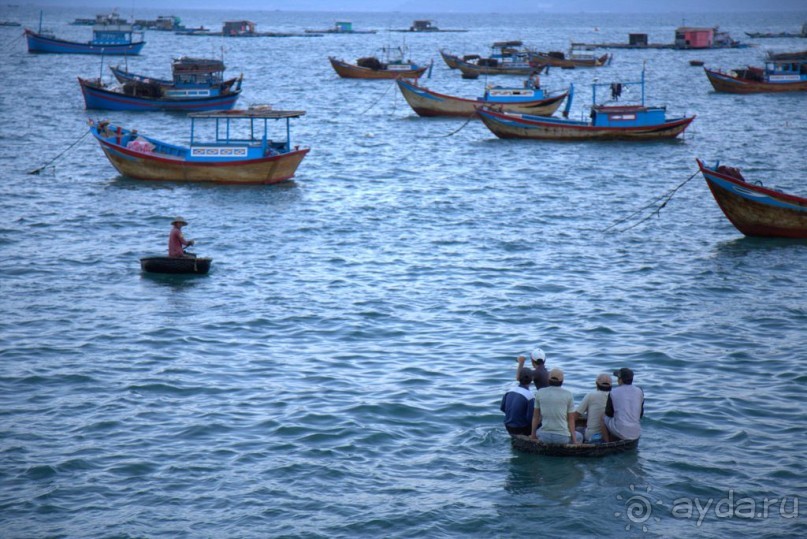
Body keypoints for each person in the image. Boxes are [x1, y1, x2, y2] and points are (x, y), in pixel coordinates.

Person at [531, 368, 577, 445]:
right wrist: (575, 441)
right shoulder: (568, 394)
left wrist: (533, 435)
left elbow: (535, 417)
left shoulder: (540, 392)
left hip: (544, 437)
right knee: (580, 436)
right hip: (562, 438)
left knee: (539, 431)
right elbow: (571, 420)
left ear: (548, 380)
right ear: (562, 381)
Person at [602, 367, 644, 442]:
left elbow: (609, 413)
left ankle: (607, 442)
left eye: (618, 378)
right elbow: (640, 414)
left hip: (621, 432)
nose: (617, 380)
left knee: (602, 417)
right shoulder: (640, 391)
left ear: (621, 380)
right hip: (636, 432)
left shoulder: (613, 392)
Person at [573, 373, 612, 444]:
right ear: (610, 386)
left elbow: (576, 416)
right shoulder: (614, 396)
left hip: (592, 434)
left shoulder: (591, 395)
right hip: (610, 434)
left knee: (578, 429)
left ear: (596, 384)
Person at [500, 369, 535, 436]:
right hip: (521, 428)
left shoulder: (509, 391)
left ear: (519, 378)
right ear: (532, 379)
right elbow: (530, 419)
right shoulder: (530, 397)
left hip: (508, 425)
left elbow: (502, 408)